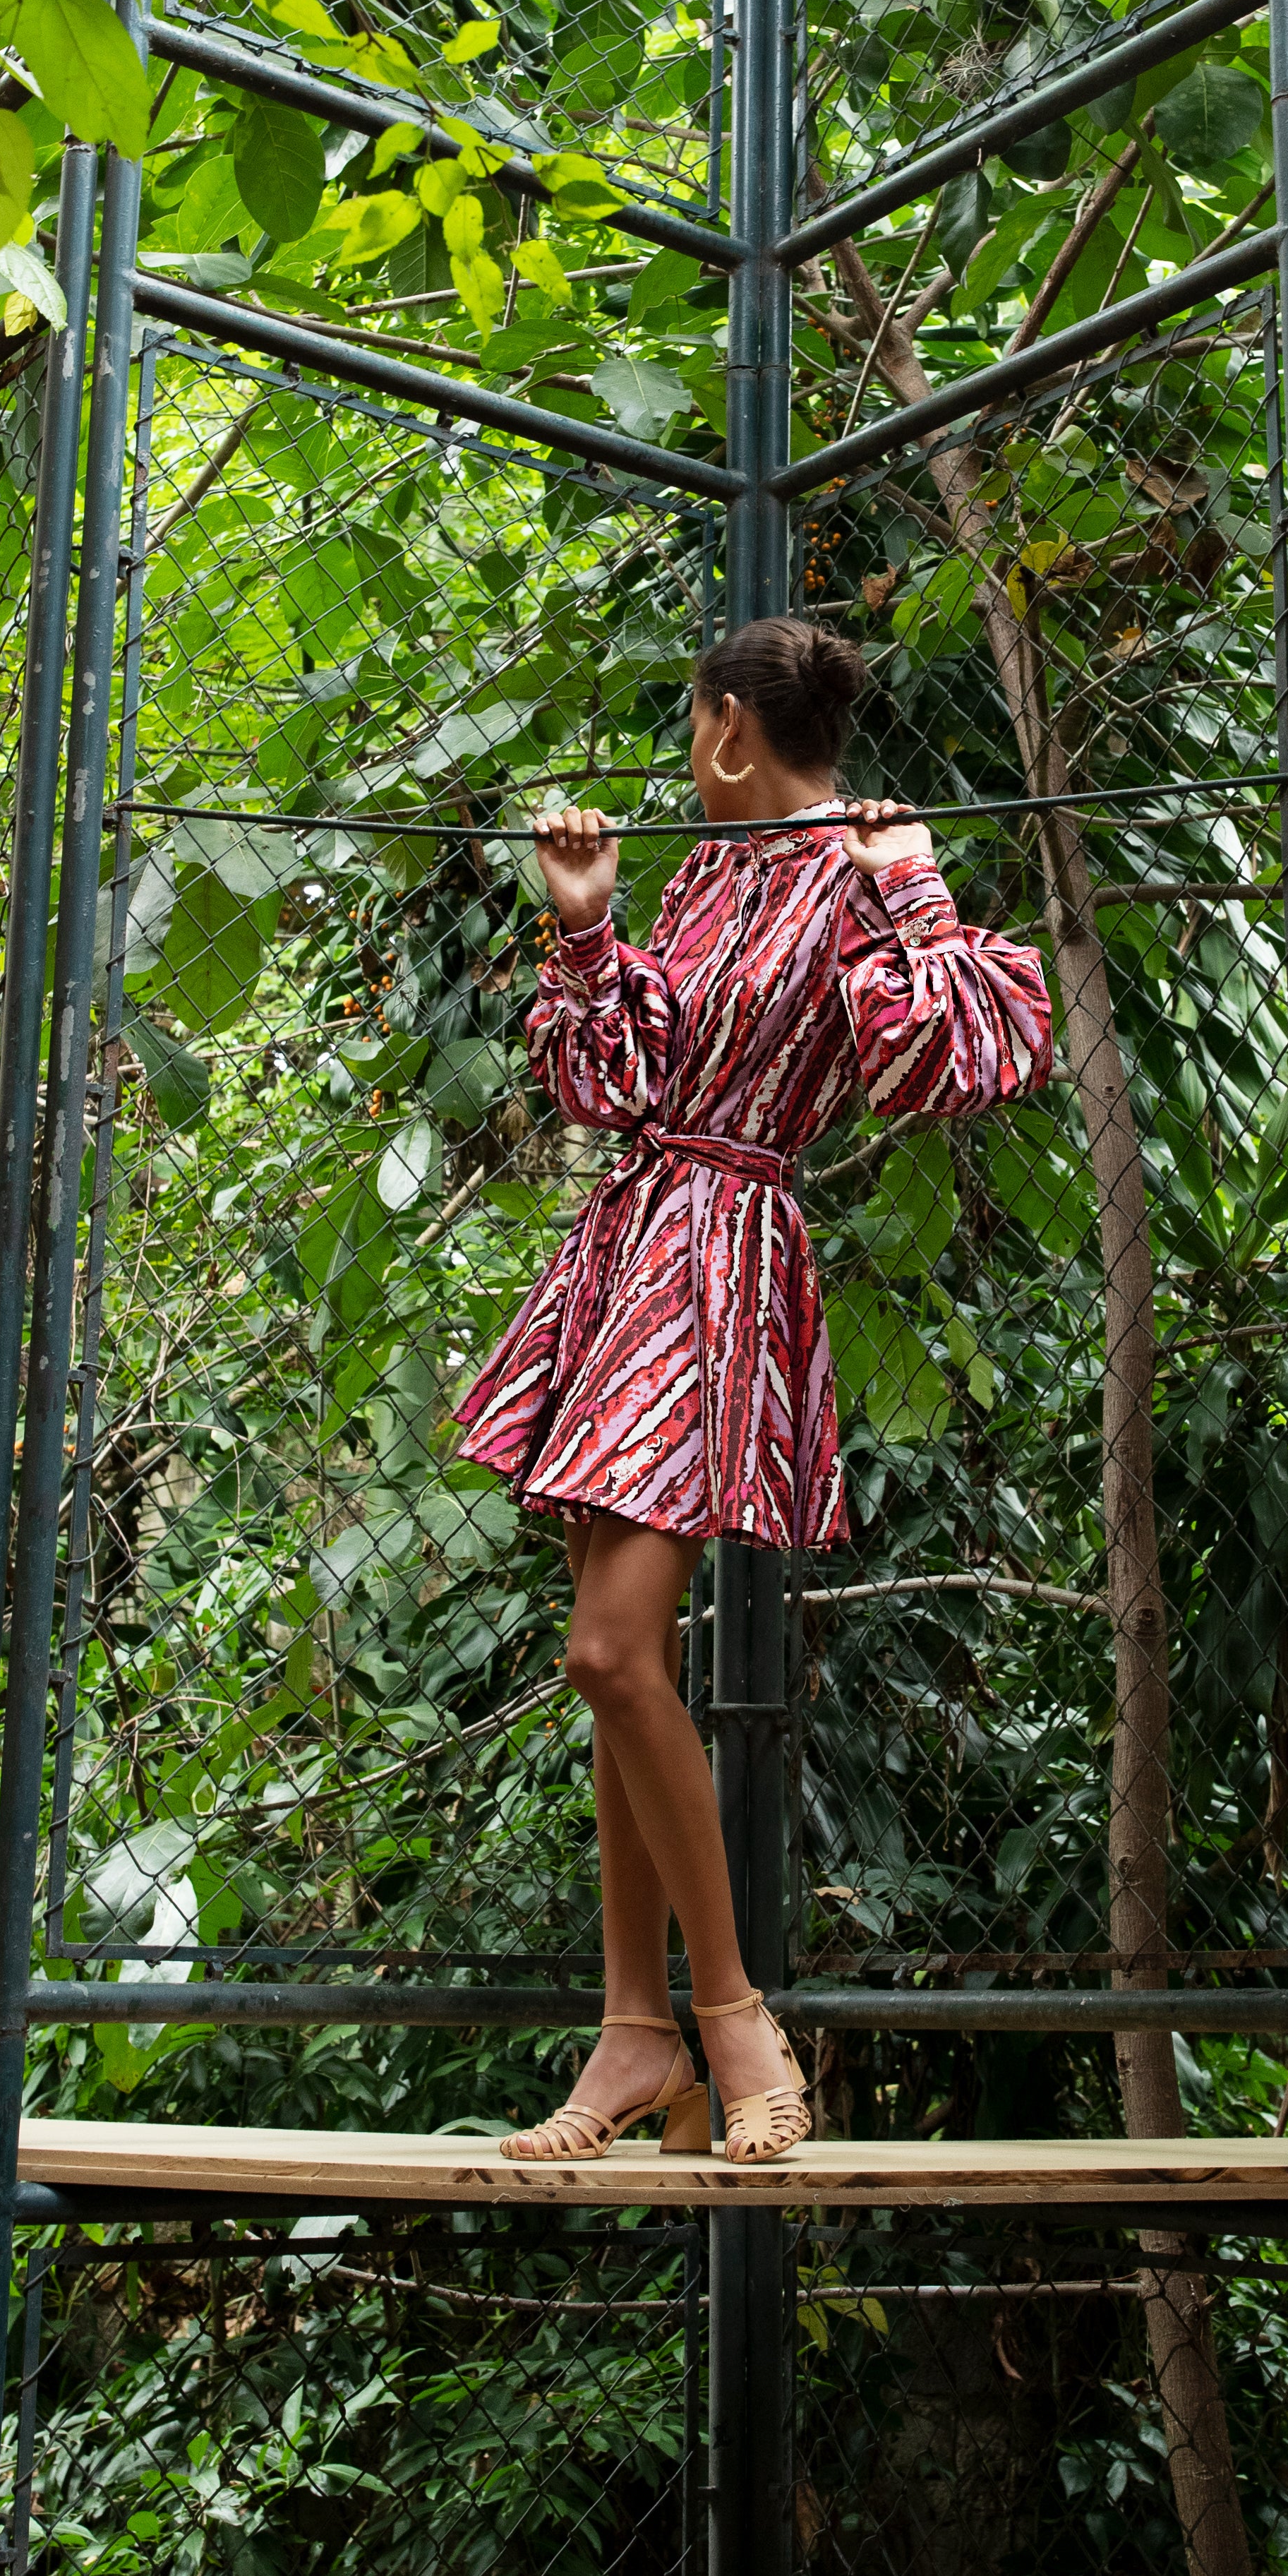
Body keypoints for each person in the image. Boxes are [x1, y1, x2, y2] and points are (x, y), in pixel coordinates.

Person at [453, 618, 1054, 2165]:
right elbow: (617, 1087)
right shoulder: (714, 876)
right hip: (629, 1246)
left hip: (721, 1256)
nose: (684, 757)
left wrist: (914, 881)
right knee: (619, 1664)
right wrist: (589, 926)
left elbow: (958, 1063)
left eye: (690, 726)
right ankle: (633, 2033)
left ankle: (729, 2015)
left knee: (607, 1649)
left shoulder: (858, 874)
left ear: (729, 727)